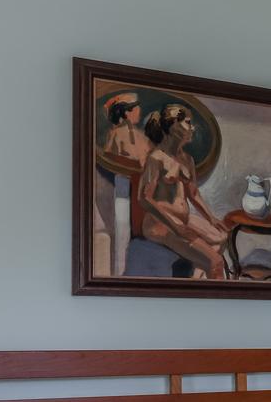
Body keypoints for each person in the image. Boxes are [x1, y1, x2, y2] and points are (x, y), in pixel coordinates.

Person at [132, 101, 229, 279]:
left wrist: (211, 217)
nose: (193, 128)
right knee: (216, 261)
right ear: (174, 126)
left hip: (183, 220)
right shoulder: (156, 158)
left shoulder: (188, 160)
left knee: (222, 237)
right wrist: (174, 226)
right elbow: (144, 198)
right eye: (188, 123)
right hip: (160, 224)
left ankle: (197, 275)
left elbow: (193, 194)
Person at [91, 94, 149, 276]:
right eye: (135, 107)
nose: (139, 110)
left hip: (143, 190)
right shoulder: (115, 134)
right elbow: (112, 161)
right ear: (125, 112)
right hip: (123, 188)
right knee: (122, 230)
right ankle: (120, 273)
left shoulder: (141, 136)